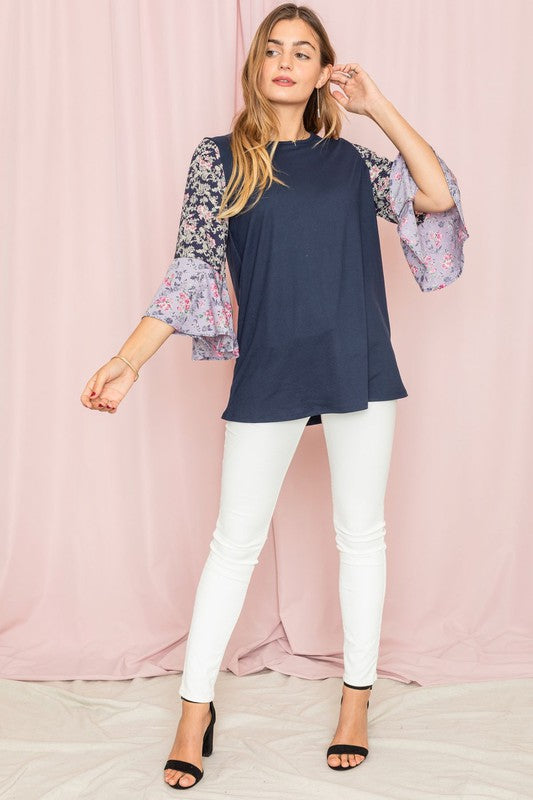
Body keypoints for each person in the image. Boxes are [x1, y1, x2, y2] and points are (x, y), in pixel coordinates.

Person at [80, 3, 469, 790]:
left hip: (358, 363)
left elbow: (432, 197)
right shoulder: (218, 158)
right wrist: (128, 361)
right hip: (269, 368)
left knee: (361, 536)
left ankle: (354, 703)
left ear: (322, 68)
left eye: (303, 51)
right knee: (234, 544)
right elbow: (192, 270)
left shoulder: (350, 159)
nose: (286, 62)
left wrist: (376, 105)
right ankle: (195, 710)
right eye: (273, 50)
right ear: (255, 66)